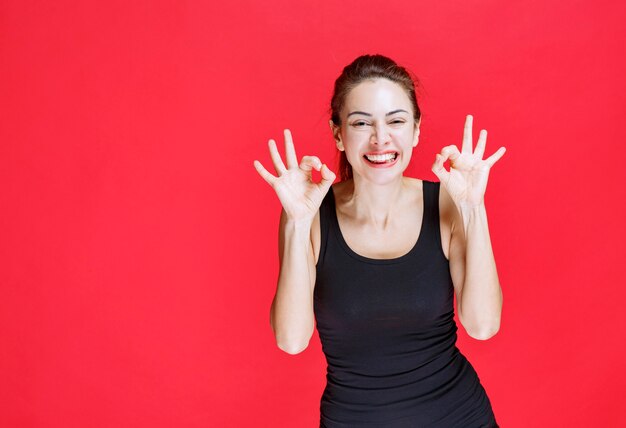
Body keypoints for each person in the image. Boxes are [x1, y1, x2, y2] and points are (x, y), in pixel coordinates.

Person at [253, 54, 506, 427]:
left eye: (396, 121)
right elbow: (292, 340)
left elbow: (483, 326)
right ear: (338, 134)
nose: (380, 139)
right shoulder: (309, 212)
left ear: (416, 130)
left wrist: (473, 208)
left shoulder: (449, 203)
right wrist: (297, 223)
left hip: (459, 416)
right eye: (361, 122)